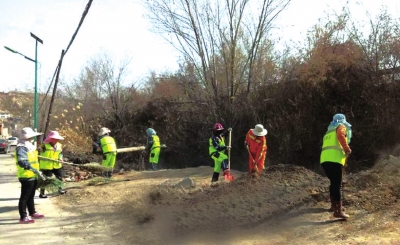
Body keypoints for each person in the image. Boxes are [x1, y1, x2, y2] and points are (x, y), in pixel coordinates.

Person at [320, 113, 352, 219]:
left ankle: (333, 206)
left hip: (325, 160)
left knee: (333, 182)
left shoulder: (328, 131)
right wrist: (347, 148)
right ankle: (338, 211)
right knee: (337, 184)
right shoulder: (340, 127)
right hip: (334, 159)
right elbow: (341, 136)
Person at [15, 127, 46, 224]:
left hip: (33, 174)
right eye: (32, 137)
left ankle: (32, 212)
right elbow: (22, 162)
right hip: (26, 175)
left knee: (31, 195)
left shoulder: (29, 146)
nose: (33, 138)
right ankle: (23, 216)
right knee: (25, 196)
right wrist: (33, 169)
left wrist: (37, 171)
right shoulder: (21, 147)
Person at [38, 131, 66, 198]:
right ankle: (42, 193)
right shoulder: (44, 145)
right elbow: (37, 153)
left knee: (60, 177)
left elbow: (60, 153)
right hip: (47, 166)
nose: (56, 140)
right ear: (51, 139)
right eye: (55, 139)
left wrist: (60, 158)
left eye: (57, 139)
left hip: (56, 164)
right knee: (46, 180)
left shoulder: (59, 145)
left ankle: (60, 189)